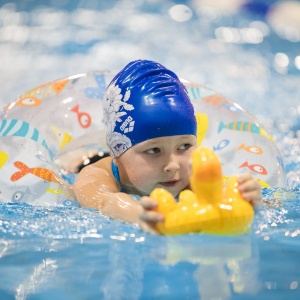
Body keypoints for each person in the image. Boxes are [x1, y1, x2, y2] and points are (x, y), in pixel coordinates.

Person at [73, 59, 262, 234]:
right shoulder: (95, 175)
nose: (173, 165)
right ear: (117, 150)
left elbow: (221, 195)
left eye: (184, 146)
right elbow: (106, 202)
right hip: (86, 159)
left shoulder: (190, 176)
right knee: (75, 160)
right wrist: (139, 215)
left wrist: (247, 197)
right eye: (154, 150)